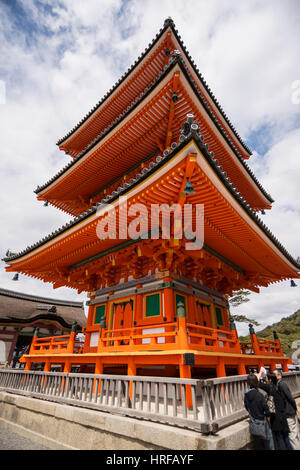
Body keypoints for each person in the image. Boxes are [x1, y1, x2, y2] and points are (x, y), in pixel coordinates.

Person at [257, 370, 293, 450]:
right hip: (283, 416)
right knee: (286, 439)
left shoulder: (270, 388)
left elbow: (257, 382)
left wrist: (260, 372)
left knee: (279, 439)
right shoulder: (279, 386)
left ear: (270, 380)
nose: (265, 380)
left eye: (266, 378)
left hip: (276, 418)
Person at [244, 373, 273, 450]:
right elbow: (266, 408)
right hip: (262, 422)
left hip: (253, 423)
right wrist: (268, 416)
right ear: (256, 382)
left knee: (258, 445)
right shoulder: (259, 395)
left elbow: (247, 407)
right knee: (268, 444)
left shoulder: (246, 395)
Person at [273, 368, 300, 450]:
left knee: (293, 435)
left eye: (274, 374)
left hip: (289, 412)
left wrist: (295, 408)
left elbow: (290, 398)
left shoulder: (281, 384)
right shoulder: (279, 384)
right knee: (295, 433)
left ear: (279, 375)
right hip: (290, 411)